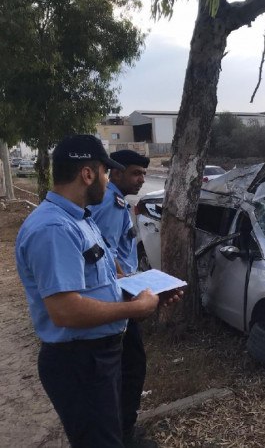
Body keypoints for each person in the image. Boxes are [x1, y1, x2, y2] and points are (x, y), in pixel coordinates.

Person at [14, 135, 174, 448]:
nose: (106, 179)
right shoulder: (54, 229)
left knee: (108, 435)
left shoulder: (80, 218)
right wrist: (134, 310)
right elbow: (66, 311)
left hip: (96, 356)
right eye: (104, 172)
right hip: (80, 362)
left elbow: (99, 284)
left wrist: (143, 294)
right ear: (87, 174)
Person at [89, 149, 154, 448]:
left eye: (143, 173)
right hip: (117, 295)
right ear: (115, 173)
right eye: (135, 173)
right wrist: (128, 285)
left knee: (129, 364)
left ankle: (122, 430)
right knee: (130, 367)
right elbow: (104, 251)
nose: (141, 179)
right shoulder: (109, 204)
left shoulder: (117, 202)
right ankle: (124, 433)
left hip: (122, 290)